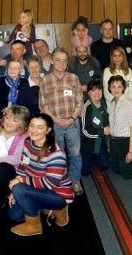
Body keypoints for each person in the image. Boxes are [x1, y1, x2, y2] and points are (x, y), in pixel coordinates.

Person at [7, 113, 73, 236]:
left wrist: (20, 182)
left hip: (57, 194)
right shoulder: (28, 143)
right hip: (36, 189)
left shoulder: (56, 154)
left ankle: (35, 226)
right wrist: (14, 192)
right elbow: (22, 167)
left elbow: (48, 184)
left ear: (48, 130)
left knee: (19, 189)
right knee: (14, 216)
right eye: (31, 126)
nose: (33, 130)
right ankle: (49, 210)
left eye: (39, 127)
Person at [38, 48, 84, 195]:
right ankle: (61, 181)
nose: (61, 63)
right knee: (58, 155)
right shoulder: (46, 80)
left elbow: (79, 101)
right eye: (58, 59)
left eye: (64, 60)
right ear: (52, 60)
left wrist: (71, 119)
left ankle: (75, 180)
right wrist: (56, 119)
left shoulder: (73, 78)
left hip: (72, 124)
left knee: (75, 154)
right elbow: (42, 104)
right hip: (54, 125)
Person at [80, 80, 110, 175]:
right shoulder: (86, 107)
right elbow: (85, 130)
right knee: (85, 172)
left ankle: (97, 156)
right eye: (93, 91)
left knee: (105, 165)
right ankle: (89, 157)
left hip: (100, 142)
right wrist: (102, 131)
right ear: (88, 93)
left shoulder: (104, 102)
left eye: (99, 90)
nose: (97, 93)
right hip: (88, 144)